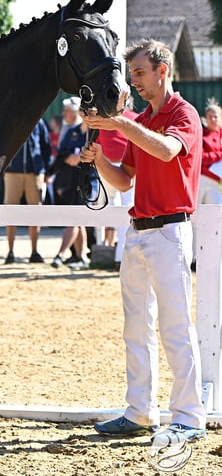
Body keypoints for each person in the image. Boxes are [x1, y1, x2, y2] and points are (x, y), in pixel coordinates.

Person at [81, 39, 206, 442]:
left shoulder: (183, 114)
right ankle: (140, 412)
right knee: (136, 327)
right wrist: (100, 158)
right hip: (139, 231)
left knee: (175, 327)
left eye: (139, 73)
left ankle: (189, 417)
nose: (133, 81)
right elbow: (124, 179)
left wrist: (122, 124)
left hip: (170, 231)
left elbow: (169, 151)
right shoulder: (146, 118)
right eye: (132, 73)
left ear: (162, 70)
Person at [95, 96, 139, 268]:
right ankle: (119, 256)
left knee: (108, 212)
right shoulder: (135, 118)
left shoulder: (104, 118)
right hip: (123, 169)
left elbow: (96, 142)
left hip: (109, 167)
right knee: (125, 214)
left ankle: (114, 252)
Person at [3, 118, 52, 264]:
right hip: (12, 172)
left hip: (35, 172)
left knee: (35, 212)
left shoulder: (39, 122)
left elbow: (46, 146)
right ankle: (10, 251)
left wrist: (46, 170)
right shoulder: (12, 120)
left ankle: (34, 251)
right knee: (10, 211)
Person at [47, 116, 88, 269]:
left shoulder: (97, 131)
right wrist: (70, 157)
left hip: (87, 182)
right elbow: (61, 152)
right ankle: (82, 256)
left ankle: (61, 254)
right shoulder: (72, 131)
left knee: (75, 219)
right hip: (70, 180)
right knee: (78, 220)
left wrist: (81, 157)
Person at [191, 98, 222, 267]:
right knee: (195, 220)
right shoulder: (201, 134)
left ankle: (215, 256)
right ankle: (194, 258)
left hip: (216, 183)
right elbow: (200, 157)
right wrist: (218, 155)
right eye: (210, 116)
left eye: (216, 116)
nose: (213, 119)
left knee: (216, 217)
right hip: (201, 179)